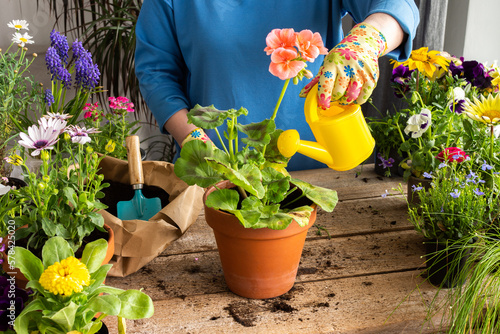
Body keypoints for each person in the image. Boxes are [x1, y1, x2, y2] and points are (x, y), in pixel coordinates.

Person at [135, 1, 420, 171]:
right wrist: (195, 143)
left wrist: (365, 42)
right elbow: (156, 72)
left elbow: (397, 6)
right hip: (214, 174)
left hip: (317, 175)